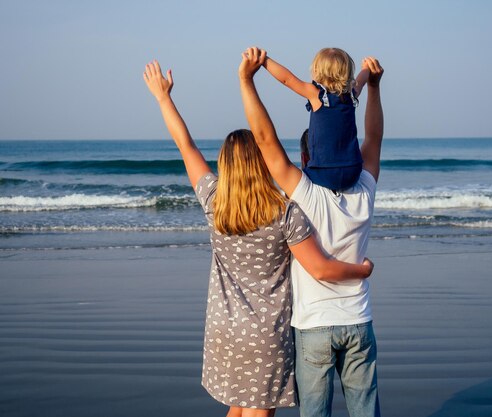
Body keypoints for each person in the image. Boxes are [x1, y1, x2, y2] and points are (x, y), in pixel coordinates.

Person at [143, 60, 374, 417]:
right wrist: (362, 269)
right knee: (257, 412)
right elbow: (318, 267)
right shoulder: (284, 212)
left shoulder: (213, 202)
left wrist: (162, 99)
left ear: (224, 165)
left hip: (224, 329)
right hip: (267, 334)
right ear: (261, 163)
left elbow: (185, 146)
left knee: (238, 408)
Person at [239, 47, 385, 417]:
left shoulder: (305, 195)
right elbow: (373, 139)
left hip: (315, 327)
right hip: (358, 321)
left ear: (307, 159)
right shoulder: (366, 190)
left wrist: (248, 79)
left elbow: (267, 144)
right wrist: (375, 88)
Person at [263, 48, 370, 191]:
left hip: (323, 173)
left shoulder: (317, 95)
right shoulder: (350, 96)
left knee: (294, 179)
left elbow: (287, 79)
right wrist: (367, 68)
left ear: (316, 71)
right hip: (353, 172)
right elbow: (361, 82)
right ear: (348, 72)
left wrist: (264, 61)